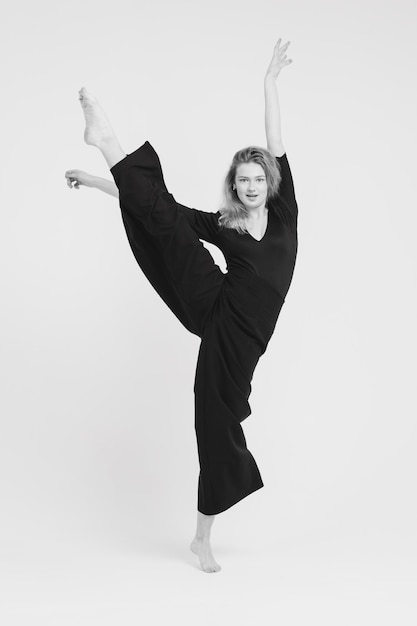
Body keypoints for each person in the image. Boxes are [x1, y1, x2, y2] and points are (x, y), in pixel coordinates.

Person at [65, 38, 297, 574]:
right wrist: (100, 180)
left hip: (245, 340)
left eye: (258, 178)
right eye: (243, 181)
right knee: (168, 223)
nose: (252, 186)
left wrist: (268, 82)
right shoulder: (228, 225)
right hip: (215, 312)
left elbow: (276, 139)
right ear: (235, 189)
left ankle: (198, 537)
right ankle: (108, 144)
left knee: (224, 423)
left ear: (270, 182)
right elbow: (161, 212)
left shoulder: (285, 214)